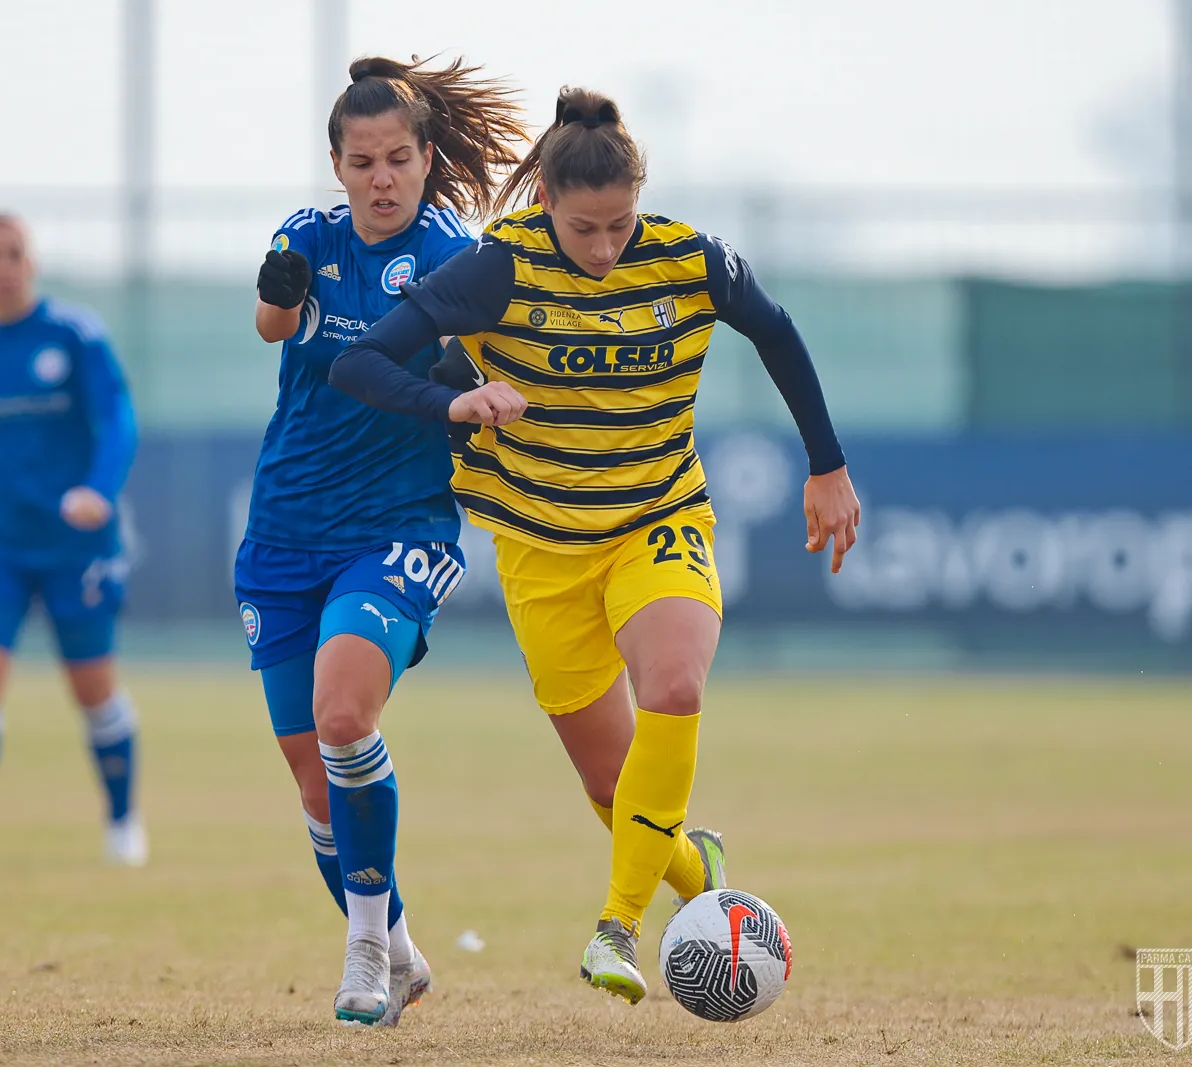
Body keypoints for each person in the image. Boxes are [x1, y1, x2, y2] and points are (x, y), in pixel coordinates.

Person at [329, 87, 861, 1005]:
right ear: (546, 203)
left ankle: (616, 925)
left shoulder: (691, 259)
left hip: (658, 520)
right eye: (585, 229)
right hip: (541, 553)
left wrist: (828, 465)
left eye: (621, 224)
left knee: (676, 686)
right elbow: (357, 361)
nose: (607, 247)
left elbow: (777, 331)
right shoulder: (499, 268)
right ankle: (695, 870)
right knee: (615, 785)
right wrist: (454, 401)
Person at [236, 56, 527, 1026]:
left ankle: (362, 948)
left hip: (398, 526)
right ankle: (398, 948)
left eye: (398, 159)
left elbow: (475, 368)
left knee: (343, 714)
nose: (381, 179)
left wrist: (462, 393)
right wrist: (278, 292)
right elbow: (274, 326)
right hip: (284, 526)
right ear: (337, 165)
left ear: (425, 157)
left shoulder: (453, 254)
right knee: (315, 781)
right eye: (361, 163)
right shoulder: (307, 235)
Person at [0, 213, 144, 867]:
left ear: (31, 262)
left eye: (13, 253)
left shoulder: (75, 336)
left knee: (93, 690)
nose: (4, 267)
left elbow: (118, 419)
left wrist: (99, 489)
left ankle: (123, 822)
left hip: (74, 545)